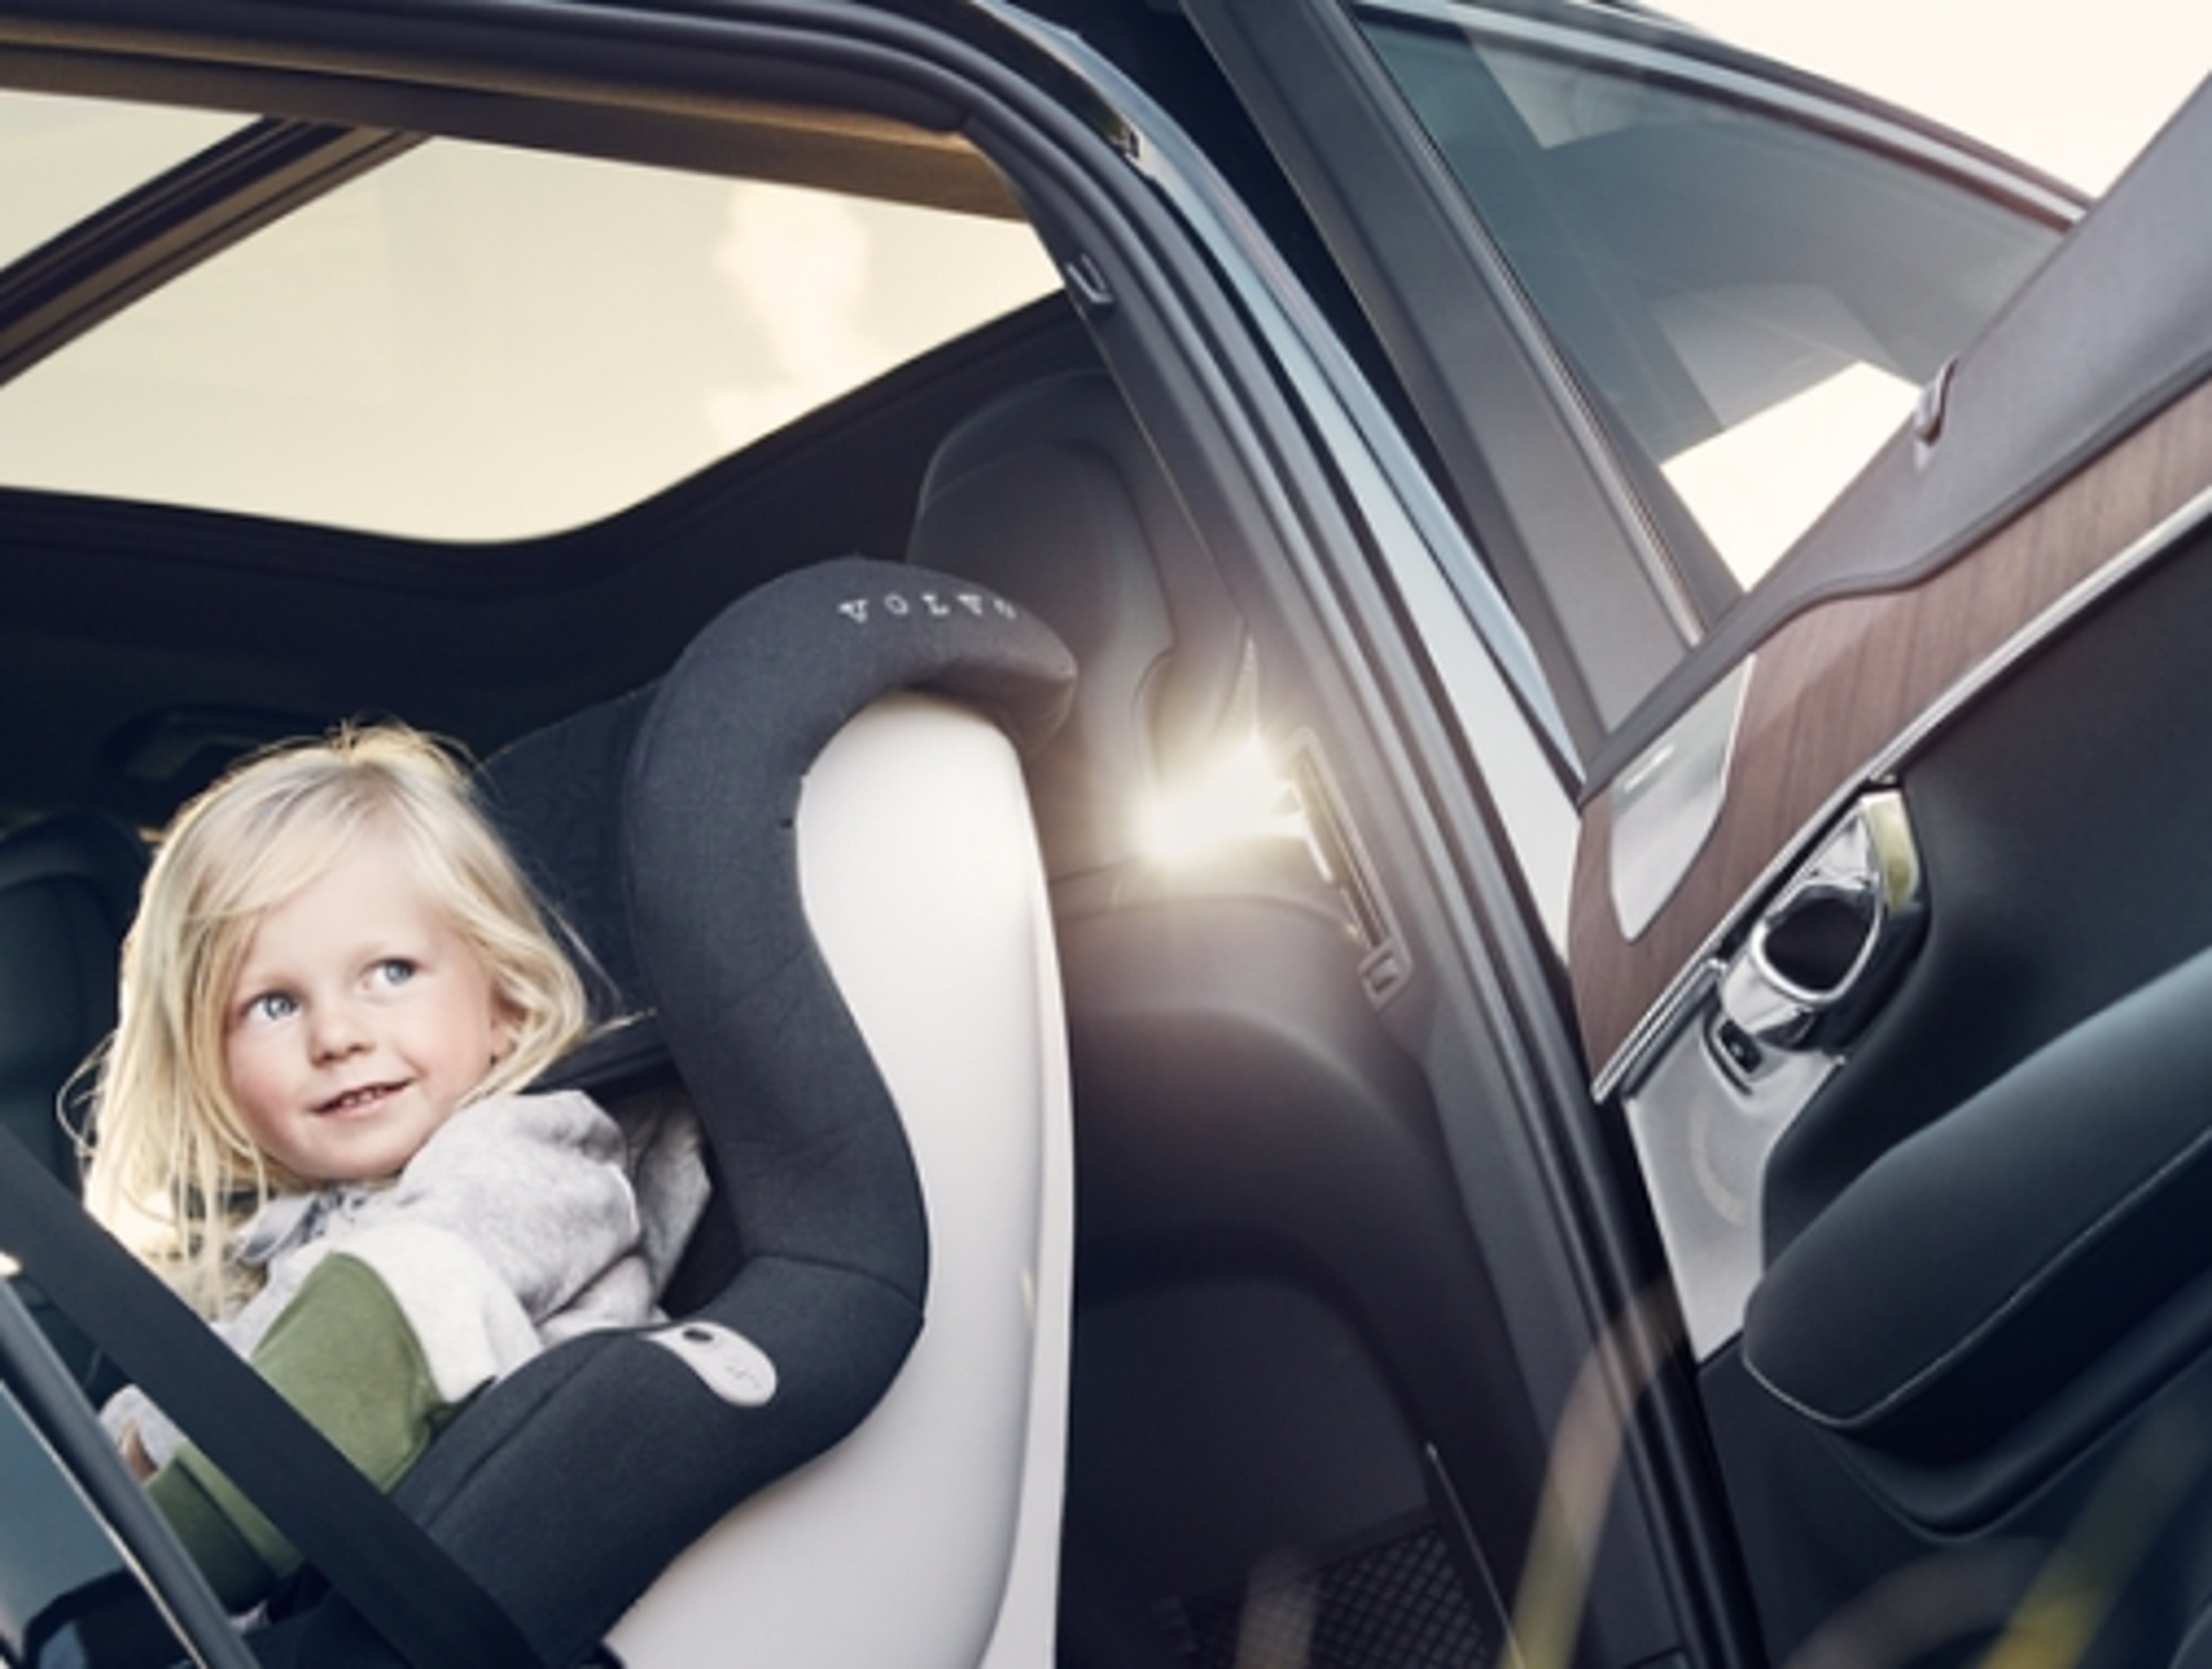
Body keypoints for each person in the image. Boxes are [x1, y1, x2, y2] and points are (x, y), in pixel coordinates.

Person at [86, 723, 676, 1613]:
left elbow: (404, 1295)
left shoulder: (532, 1153)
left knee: (406, 1280)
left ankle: (127, 1605)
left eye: (392, 971)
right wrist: (128, 1436)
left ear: (506, 1004)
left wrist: (131, 1556)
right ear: (211, 1062)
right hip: (361, 1589)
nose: (337, 1035)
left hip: (525, 1579)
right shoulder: (283, 1243)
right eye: (275, 1003)